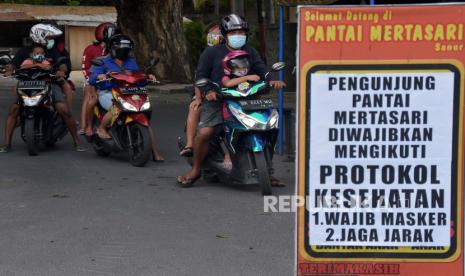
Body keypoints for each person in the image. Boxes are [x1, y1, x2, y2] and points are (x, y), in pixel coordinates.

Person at [177, 14, 285, 186]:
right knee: (206, 133)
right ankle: (195, 169)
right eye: (234, 32)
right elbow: (201, 76)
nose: (238, 35)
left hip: (248, 98)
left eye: (241, 31)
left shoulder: (250, 50)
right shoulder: (211, 52)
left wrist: (272, 79)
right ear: (225, 34)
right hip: (218, 99)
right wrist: (208, 92)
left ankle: (267, 171)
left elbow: (262, 69)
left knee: (269, 126)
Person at [0, 23, 85, 152]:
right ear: (40, 36)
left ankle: (76, 141)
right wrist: (9, 69)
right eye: (50, 37)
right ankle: (6, 144)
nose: (52, 40)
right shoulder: (23, 52)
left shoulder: (53, 51)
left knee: (63, 109)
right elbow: (12, 64)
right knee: (14, 109)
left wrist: (61, 71)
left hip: (49, 83)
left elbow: (62, 64)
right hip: (26, 84)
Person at [88, 34, 164, 161]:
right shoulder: (103, 61)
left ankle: (155, 152)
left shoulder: (131, 61)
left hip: (128, 92)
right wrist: (99, 77)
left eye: (126, 50)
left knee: (144, 118)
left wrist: (147, 77)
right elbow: (92, 79)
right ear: (112, 49)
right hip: (108, 92)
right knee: (116, 108)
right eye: (121, 49)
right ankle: (101, 129)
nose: (124, 52)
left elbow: (136, 77)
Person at [179, 24, 223, 157]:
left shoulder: (235, 54)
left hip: (228, 93)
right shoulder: (207, 55)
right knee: (195, 108)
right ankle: (190, 144)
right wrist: (198, 98)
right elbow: (199, 79)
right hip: (206, 92)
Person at [79, 22, 117, 136]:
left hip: (108, 81)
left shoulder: (114, 49)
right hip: (92, 80)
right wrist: (91, 83)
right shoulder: (90, 49)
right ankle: (85, 126)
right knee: (90, 97)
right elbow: (85, 67)